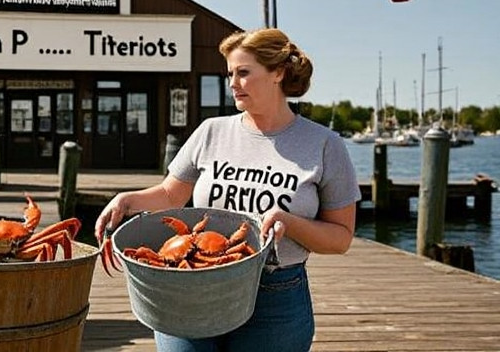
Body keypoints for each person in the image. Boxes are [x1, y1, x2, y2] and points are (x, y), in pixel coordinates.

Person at [95, 28, 360, 352]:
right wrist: (127, 199)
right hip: (188, 287)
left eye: (243, 73)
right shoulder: (211, 132)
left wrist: (289, 222)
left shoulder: (324, 144)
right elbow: (170, 195)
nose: (232, 83)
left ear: (278, 73)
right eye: (230, 74)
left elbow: (341, 238)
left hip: (275, 296)